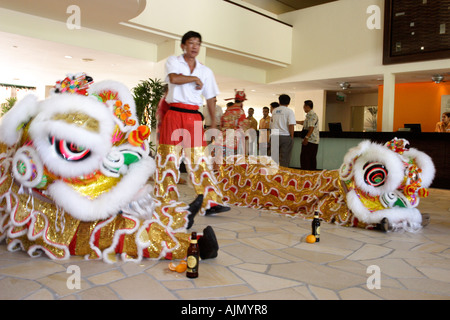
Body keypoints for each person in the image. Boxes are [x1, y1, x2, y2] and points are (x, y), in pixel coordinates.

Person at [154, 30, 230, 218]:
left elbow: (211, 97)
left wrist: (213, 123)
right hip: (174, 114)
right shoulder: (173, 61)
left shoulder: (206, 71)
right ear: (183, 45)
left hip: (194, 117)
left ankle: (209, 202)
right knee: (168, 159)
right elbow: (173, 78)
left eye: (198, 43)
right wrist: (194, 79)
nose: (195, 46)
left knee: (200, 160)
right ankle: (166, 201)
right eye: (191, 43)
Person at [220, 91, 250, 158]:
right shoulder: (240, 111)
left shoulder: (227, 111)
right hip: (234, 140)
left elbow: (221, 124)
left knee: (224, 160)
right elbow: (243, 126)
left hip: (223, 138)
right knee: (234, 162)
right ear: (242, 101)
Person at [270, 94, 296, 167]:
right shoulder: (289, 111)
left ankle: (273, 174)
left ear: (279, 101)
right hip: (285, 136)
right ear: (288, 102)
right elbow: (291, 125)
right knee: (284, 158)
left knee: (274, 158)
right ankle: (283, 175)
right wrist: (291, 136)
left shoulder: (274, 111)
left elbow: (272, 123)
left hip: (274, 136)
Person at [297, 100, 320, 170]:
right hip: (313, 141)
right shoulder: (310, 115)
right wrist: (295, 121)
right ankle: (311, 175)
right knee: (311, 159)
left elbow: (311, 127)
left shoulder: (311, 115)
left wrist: (306, 138)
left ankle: (307, 175)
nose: (303, 108)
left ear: (307, 106)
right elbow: (305, 123)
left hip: (310, 141)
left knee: (306, 159)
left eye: (304, 106)